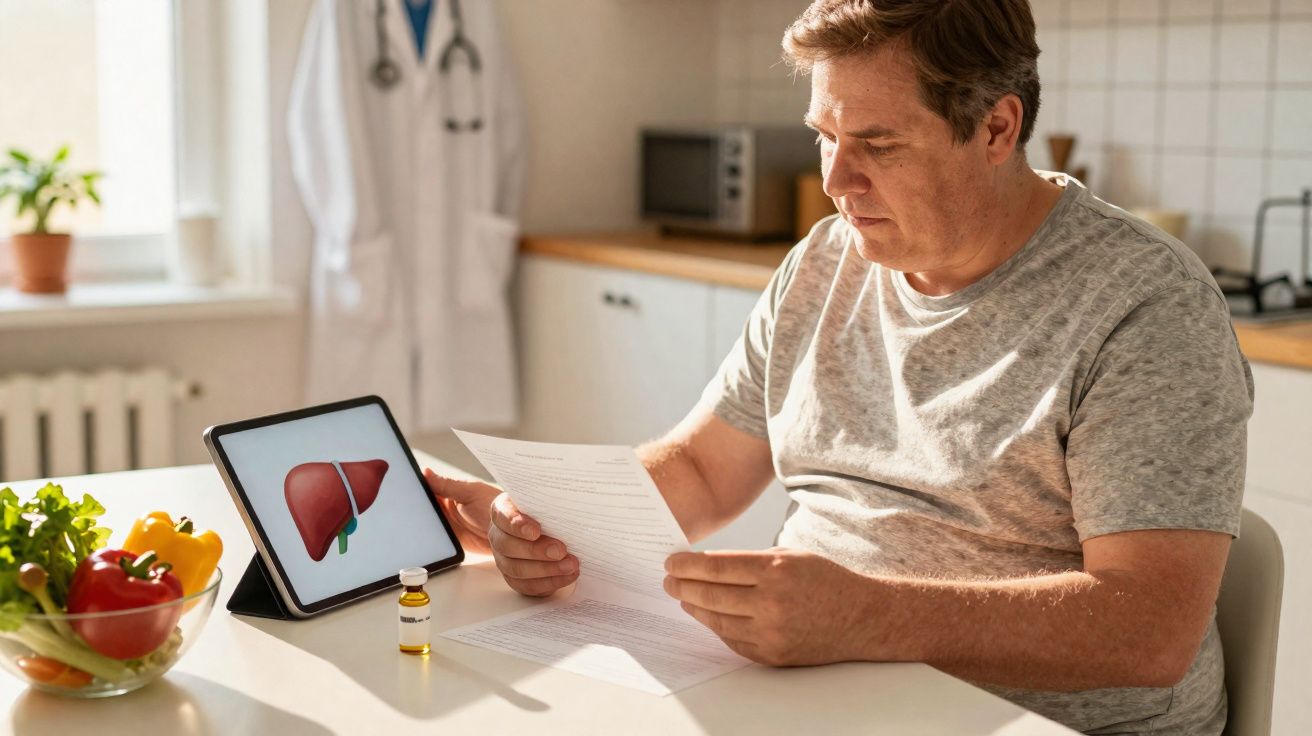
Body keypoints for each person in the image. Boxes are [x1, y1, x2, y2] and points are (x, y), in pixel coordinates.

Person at [425, 1, 1253, 733]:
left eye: (878, 145)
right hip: (825, 699)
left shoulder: (1146, 305)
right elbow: (705, 472)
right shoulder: (826, 262)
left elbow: (1151, 628)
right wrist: (550, 525)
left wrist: (871, 618)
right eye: (824, 136)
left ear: (997, 129)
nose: (834, 181)